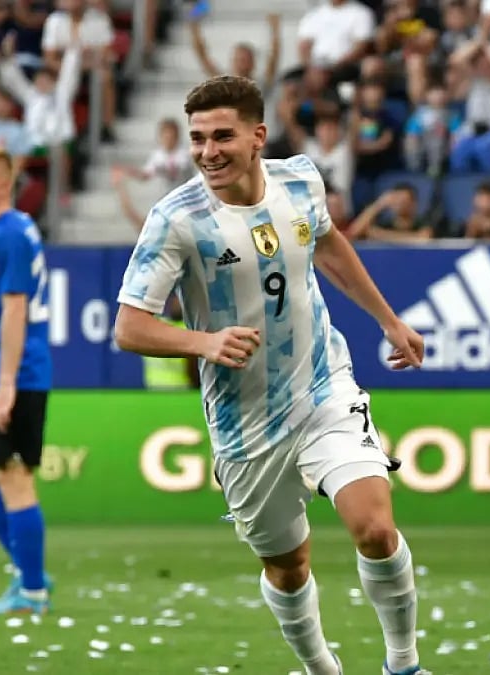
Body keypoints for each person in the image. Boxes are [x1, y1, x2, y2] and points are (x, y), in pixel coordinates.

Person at [111, 75, 430, 675]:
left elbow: (328, 245)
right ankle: (320, 669)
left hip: (322, 386)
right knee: (289, 566)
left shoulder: (301, 180)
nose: (208, 152)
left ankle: (404, 664)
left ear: (258, 136)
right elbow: (130, 327)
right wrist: (203, 341)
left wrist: (388, 320)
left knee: (376, 529)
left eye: (222, 136)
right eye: (197, 139)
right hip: (245, 423)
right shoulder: (175, 219)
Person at [0, 145, 54, 616]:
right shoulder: (3, 232)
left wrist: (4, 385)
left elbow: (18, 308)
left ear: (4, 184)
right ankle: (28, 569)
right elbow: (2, 312)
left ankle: (33, 588)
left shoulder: (10, 235)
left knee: (13, 475)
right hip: (0, 366)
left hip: (18, 374)